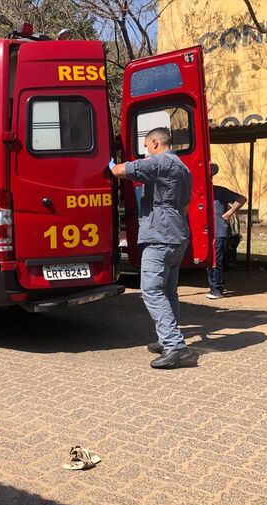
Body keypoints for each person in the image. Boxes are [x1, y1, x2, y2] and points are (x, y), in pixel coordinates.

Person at [110, 127, 194, 369]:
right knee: (168, 291)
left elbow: (119, 171)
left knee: (151, 291)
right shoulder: (183, 167)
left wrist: (109, 162)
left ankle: (175, 346)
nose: (146, 150)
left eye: (147, 146)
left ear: (155, 143)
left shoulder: (159, 162)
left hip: (160, 237)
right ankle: (166, 338)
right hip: (177, 235)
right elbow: (187, 204)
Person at [207, 164, 247, 299]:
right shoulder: (197, 191)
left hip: (219, 230)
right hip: (206, 231)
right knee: (208, 261)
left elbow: (242, 199)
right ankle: (212, 287)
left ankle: (218, 289)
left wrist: (228, 213)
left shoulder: (219, 191)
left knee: (216, 261)